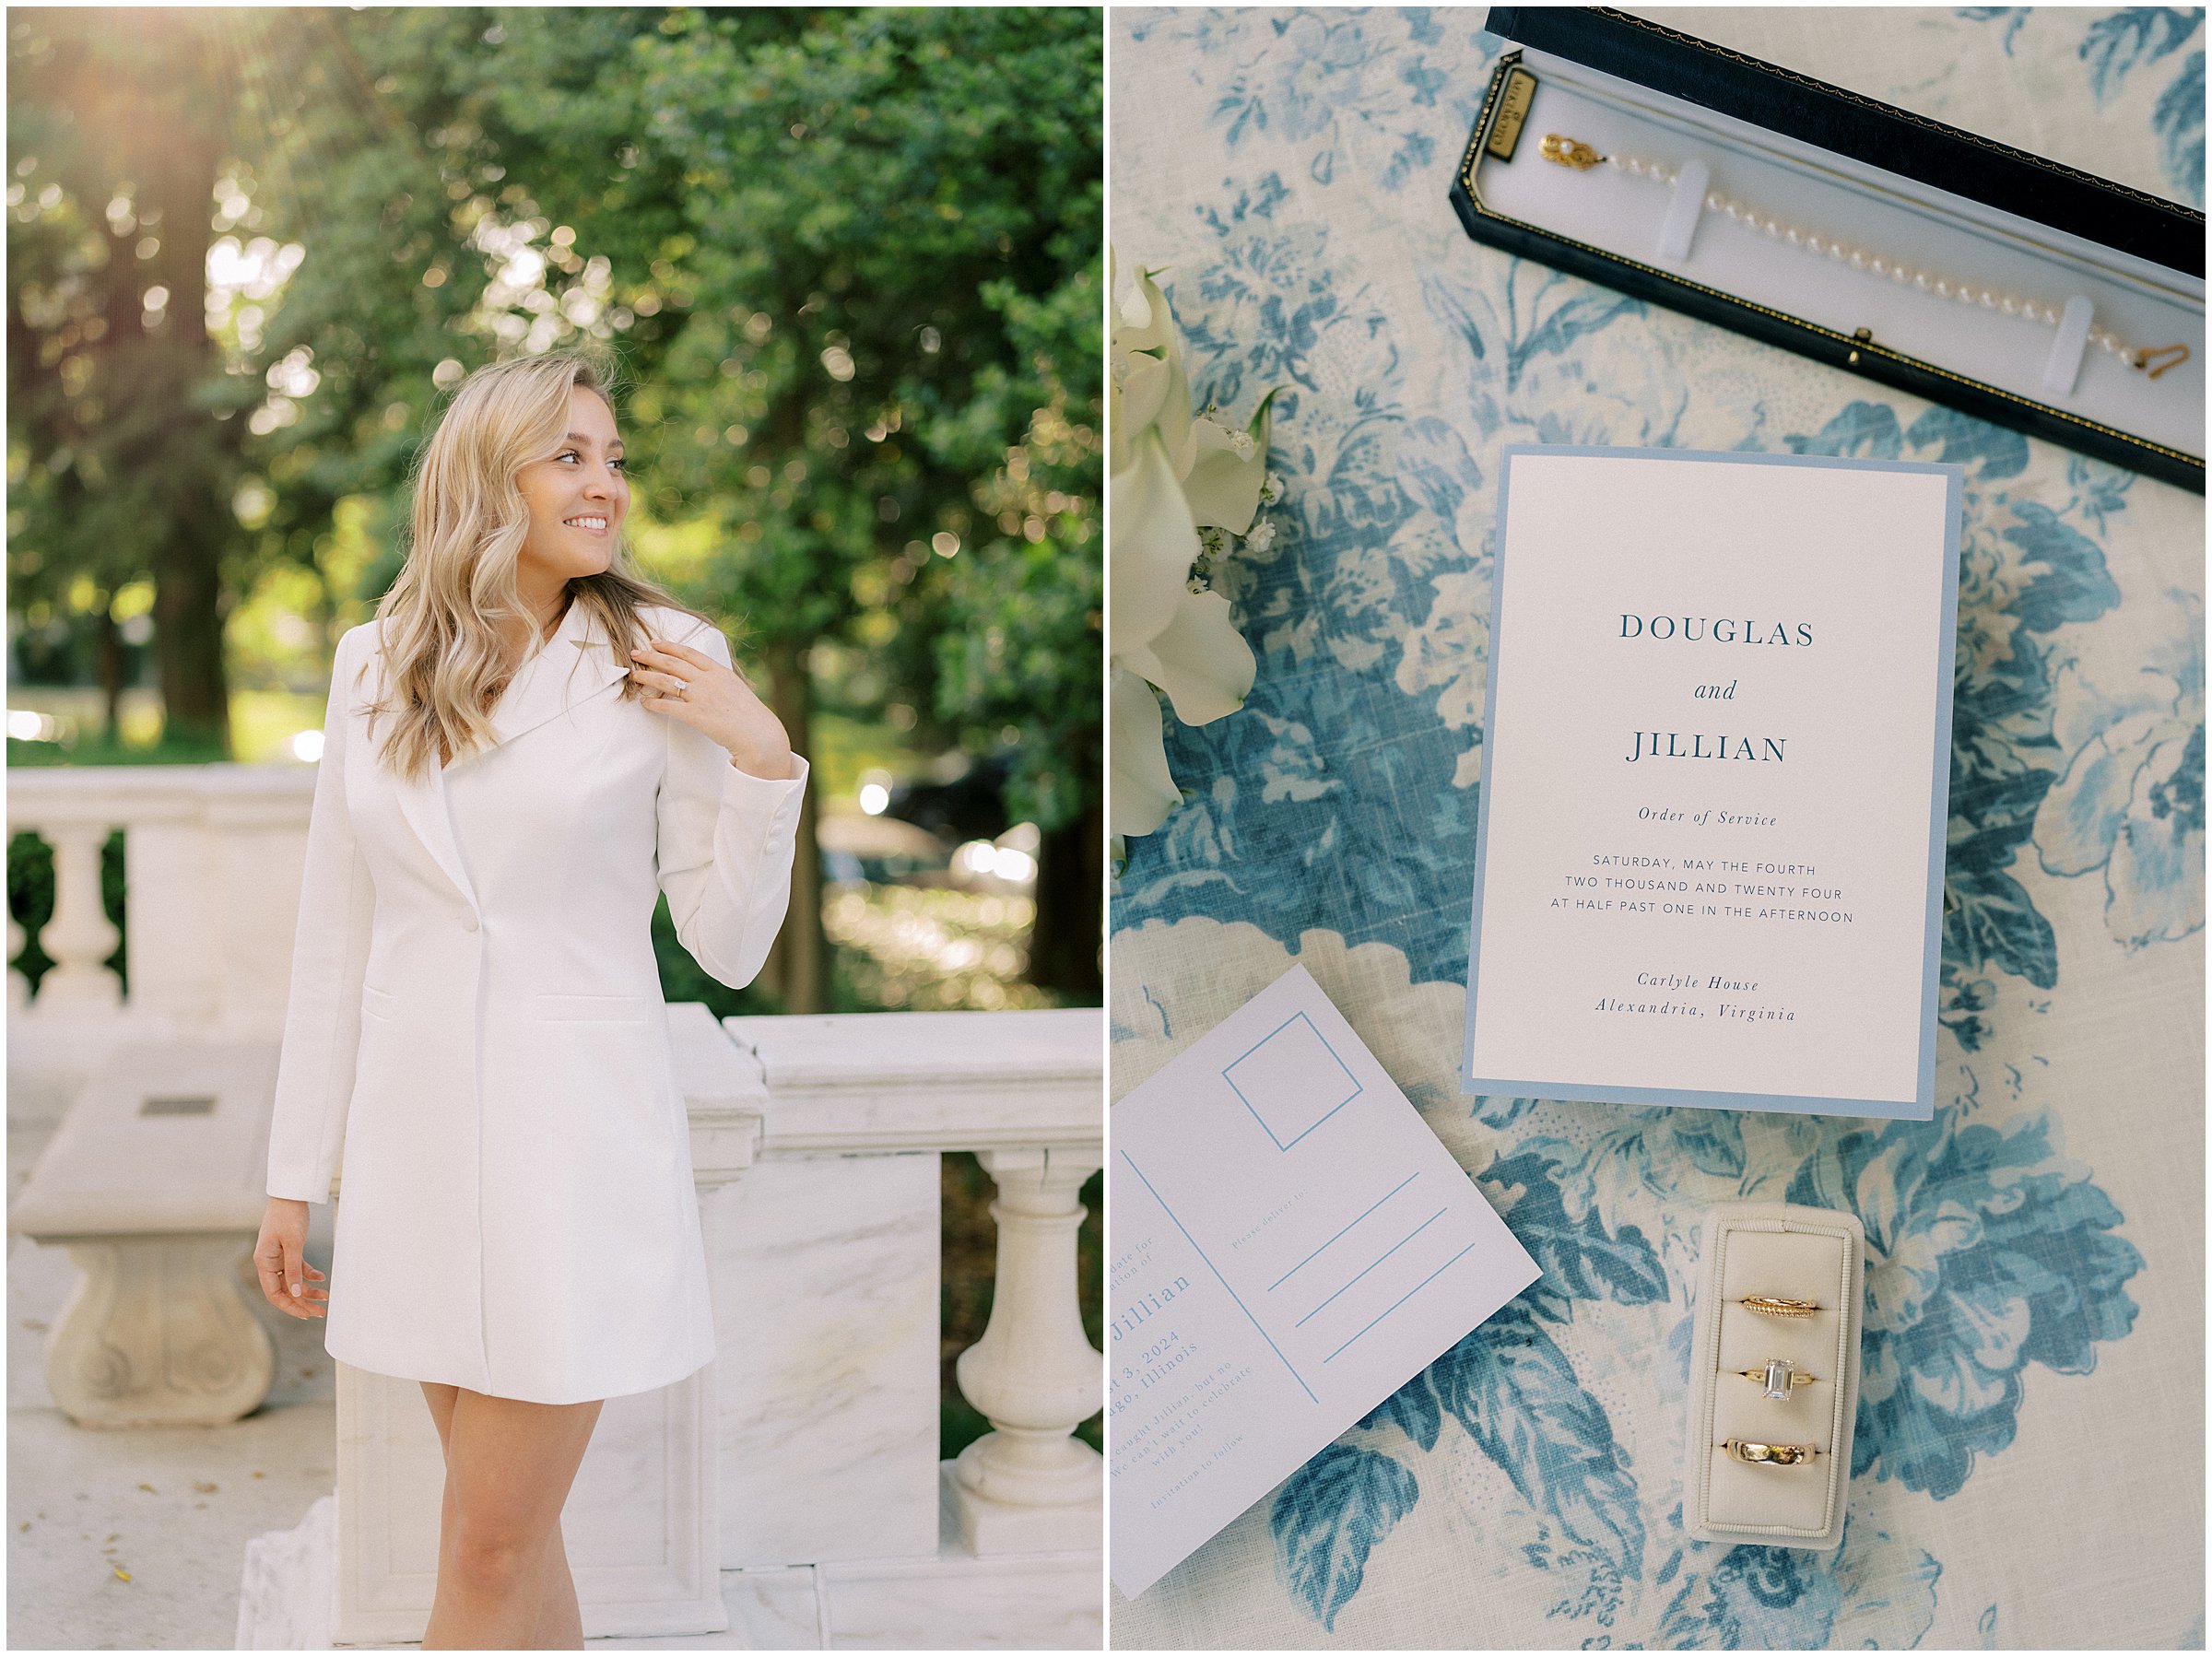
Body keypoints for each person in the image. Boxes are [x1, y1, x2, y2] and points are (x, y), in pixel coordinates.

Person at [251, 347, 804, 1649]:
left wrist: (759, 749)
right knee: (509, 1543)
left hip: (576, 1159)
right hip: (418, 1151)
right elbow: (338, 930)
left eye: (613, 457)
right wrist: (293, 1174)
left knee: (485, 1547)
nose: (605, 481)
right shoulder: (373, 661)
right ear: (484, 476)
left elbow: (726, 947)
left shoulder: (669, 656)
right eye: (572, 456)